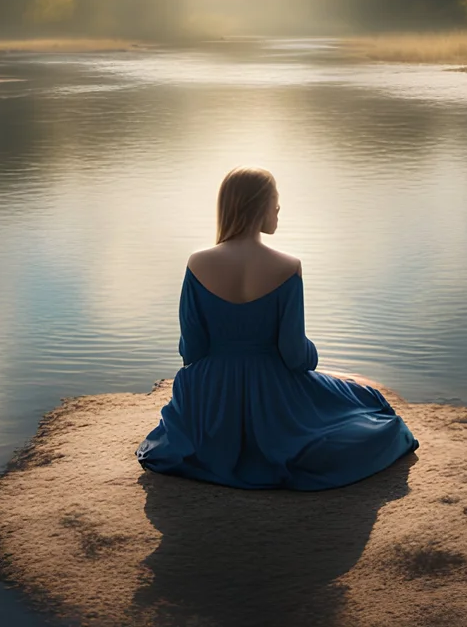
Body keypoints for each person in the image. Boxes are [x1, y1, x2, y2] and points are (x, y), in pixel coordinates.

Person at [137, 167, 418, 490]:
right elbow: (295, 357)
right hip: (272, 388)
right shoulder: (287, 266)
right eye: (275, 203)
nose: (279, 211)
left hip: (208, 394)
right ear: (258, 207)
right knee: (367, 405)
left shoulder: (197, 263)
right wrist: (307, 355)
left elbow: (193, 350)